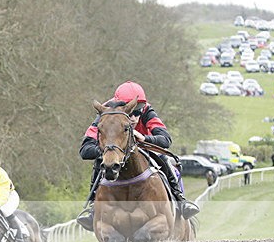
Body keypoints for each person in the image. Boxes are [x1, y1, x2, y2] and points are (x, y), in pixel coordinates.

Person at [75, 81, 200, 231]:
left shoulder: (147, 110)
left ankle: (180, 199)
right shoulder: (105, 113)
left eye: (137, 112)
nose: (134, 117)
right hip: (115, 153)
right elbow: (85, 150)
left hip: (143, 149)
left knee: (164, 157)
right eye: (131, 113)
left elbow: (165, 140)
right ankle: (93, 208)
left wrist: (145, 138)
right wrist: (109, 149)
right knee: (100, 163)